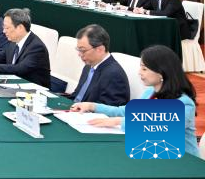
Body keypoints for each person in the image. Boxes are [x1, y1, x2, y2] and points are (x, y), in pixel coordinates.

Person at [71, 45, 199, 158]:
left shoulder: (184, 104)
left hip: (183, 160)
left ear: (161, 73)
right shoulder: (150, 92)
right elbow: (125, 111)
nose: (139, 73)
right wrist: (92, 106)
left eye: (144, 69)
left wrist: (117, 121)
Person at [63, 24, 129, 107]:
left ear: (100, 49)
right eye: (78, 50)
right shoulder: (88, 66)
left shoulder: (114, 74)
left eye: (83, 50)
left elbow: (110, 110)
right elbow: (77, 96)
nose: (79, 54)